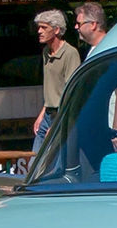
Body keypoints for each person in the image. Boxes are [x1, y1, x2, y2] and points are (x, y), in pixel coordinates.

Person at [31, 9, 80, 152]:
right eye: (39, 27)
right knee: (35, 162)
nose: (39, 31)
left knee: (53, 163)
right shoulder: (46, 51)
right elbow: (50, 89)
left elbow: (72, 91)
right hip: (47, 114)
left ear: (57, 30)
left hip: (62, 115)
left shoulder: (70, 53)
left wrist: (57, 125)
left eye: (44, 27)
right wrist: (41, 115)